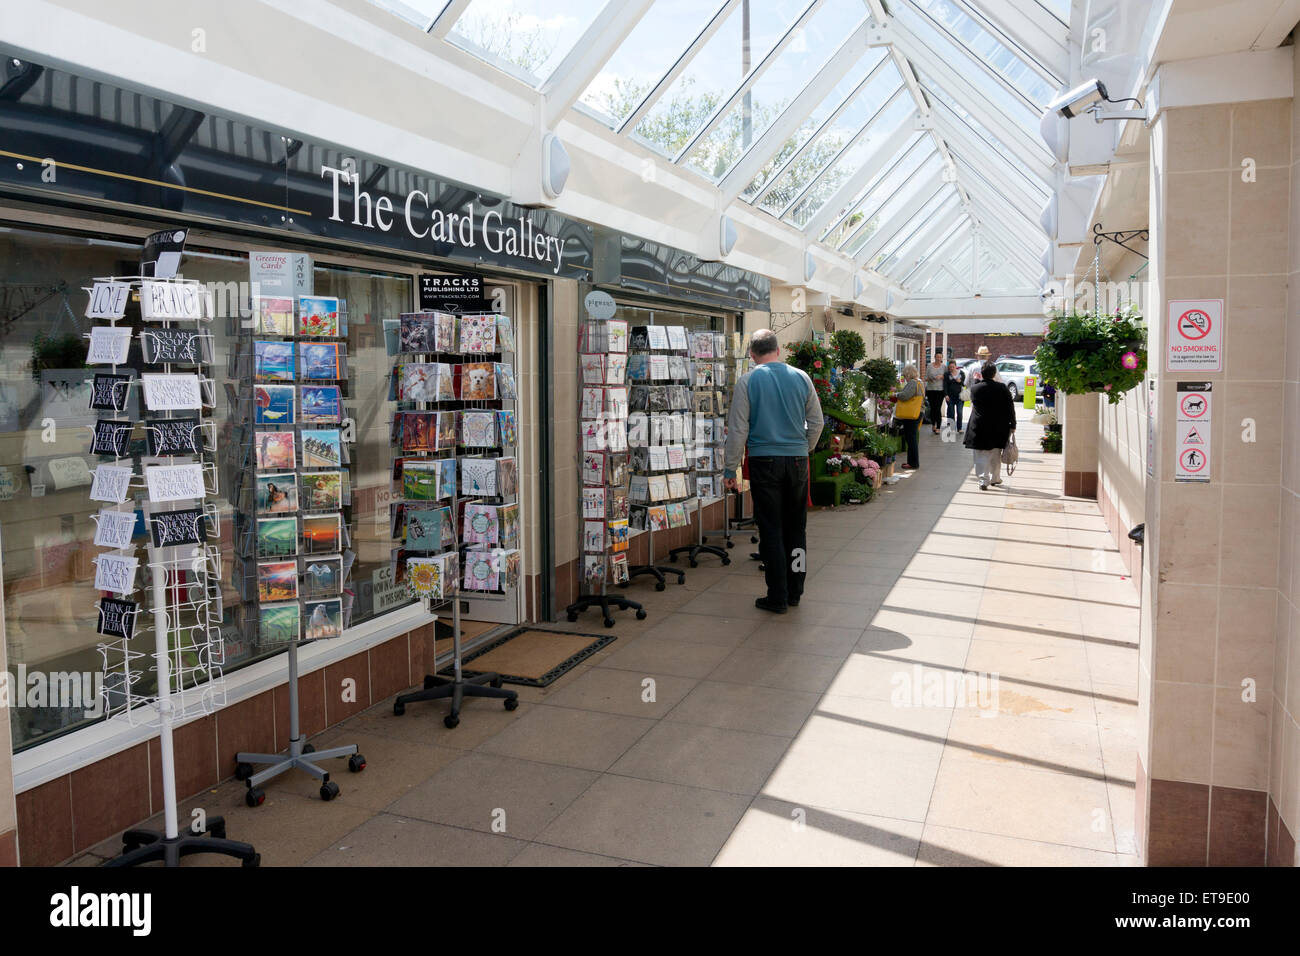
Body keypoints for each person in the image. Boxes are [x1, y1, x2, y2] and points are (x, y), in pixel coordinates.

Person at [724, 329, 823, 614]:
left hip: (763, 461)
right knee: (797, 529)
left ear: (752, 355)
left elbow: (739, 429)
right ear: (778, 351)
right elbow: (816, 422)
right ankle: (796, 589)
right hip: (796, 461)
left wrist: (731, 467)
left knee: (771, 529)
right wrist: (804, 449)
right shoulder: (801, 377)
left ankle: (776, 595)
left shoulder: (748, 381)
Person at [964, 362, 1016, 490]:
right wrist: (1013, 424)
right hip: (998, 426)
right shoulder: (1002, 388)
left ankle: (983, 479)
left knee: (980, 454)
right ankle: (995, 478)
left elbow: (974, 399)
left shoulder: (976, 389)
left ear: (982, 374)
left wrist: (976, 381)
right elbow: (1010, 407)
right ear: (994, 374)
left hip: (979, 426)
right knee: (995, 453)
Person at [894, 365, 924, 471]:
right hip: (918, 412)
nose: (904, 378)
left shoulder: (913, 382)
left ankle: (913, 463)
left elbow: (905, 396)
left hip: (912, 414)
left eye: (905, 375)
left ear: (909, 374)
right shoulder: (920, 382)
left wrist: (896, 394)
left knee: (911, 439)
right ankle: (912, 462)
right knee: (912, 438)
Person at [924, 350, 946, 434]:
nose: (939, 358)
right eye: (937, 357)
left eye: (940, 357)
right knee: (933, 408)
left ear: (942, 358)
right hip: (931, 390)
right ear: (934, 357)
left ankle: (938, 427)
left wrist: (942, 376)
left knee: (938, 408)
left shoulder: (944, 367)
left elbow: (947, 377)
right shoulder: (929, 366)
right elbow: (925, 377)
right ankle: (933, 424)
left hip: (940, 391)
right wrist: (931, 378)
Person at [943, 359, 965, 433]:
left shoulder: (961, 373)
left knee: (959, 412)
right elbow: (945, 385)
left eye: (953, 367)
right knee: (951, 412)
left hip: (960, 397)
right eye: (950, 367)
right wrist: (946, 395)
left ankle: (959, 428)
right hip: (950, 396)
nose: (951, 369)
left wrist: (960, 381)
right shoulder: (947, 374)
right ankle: (951, 428)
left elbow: (964, 384)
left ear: (956, 366)